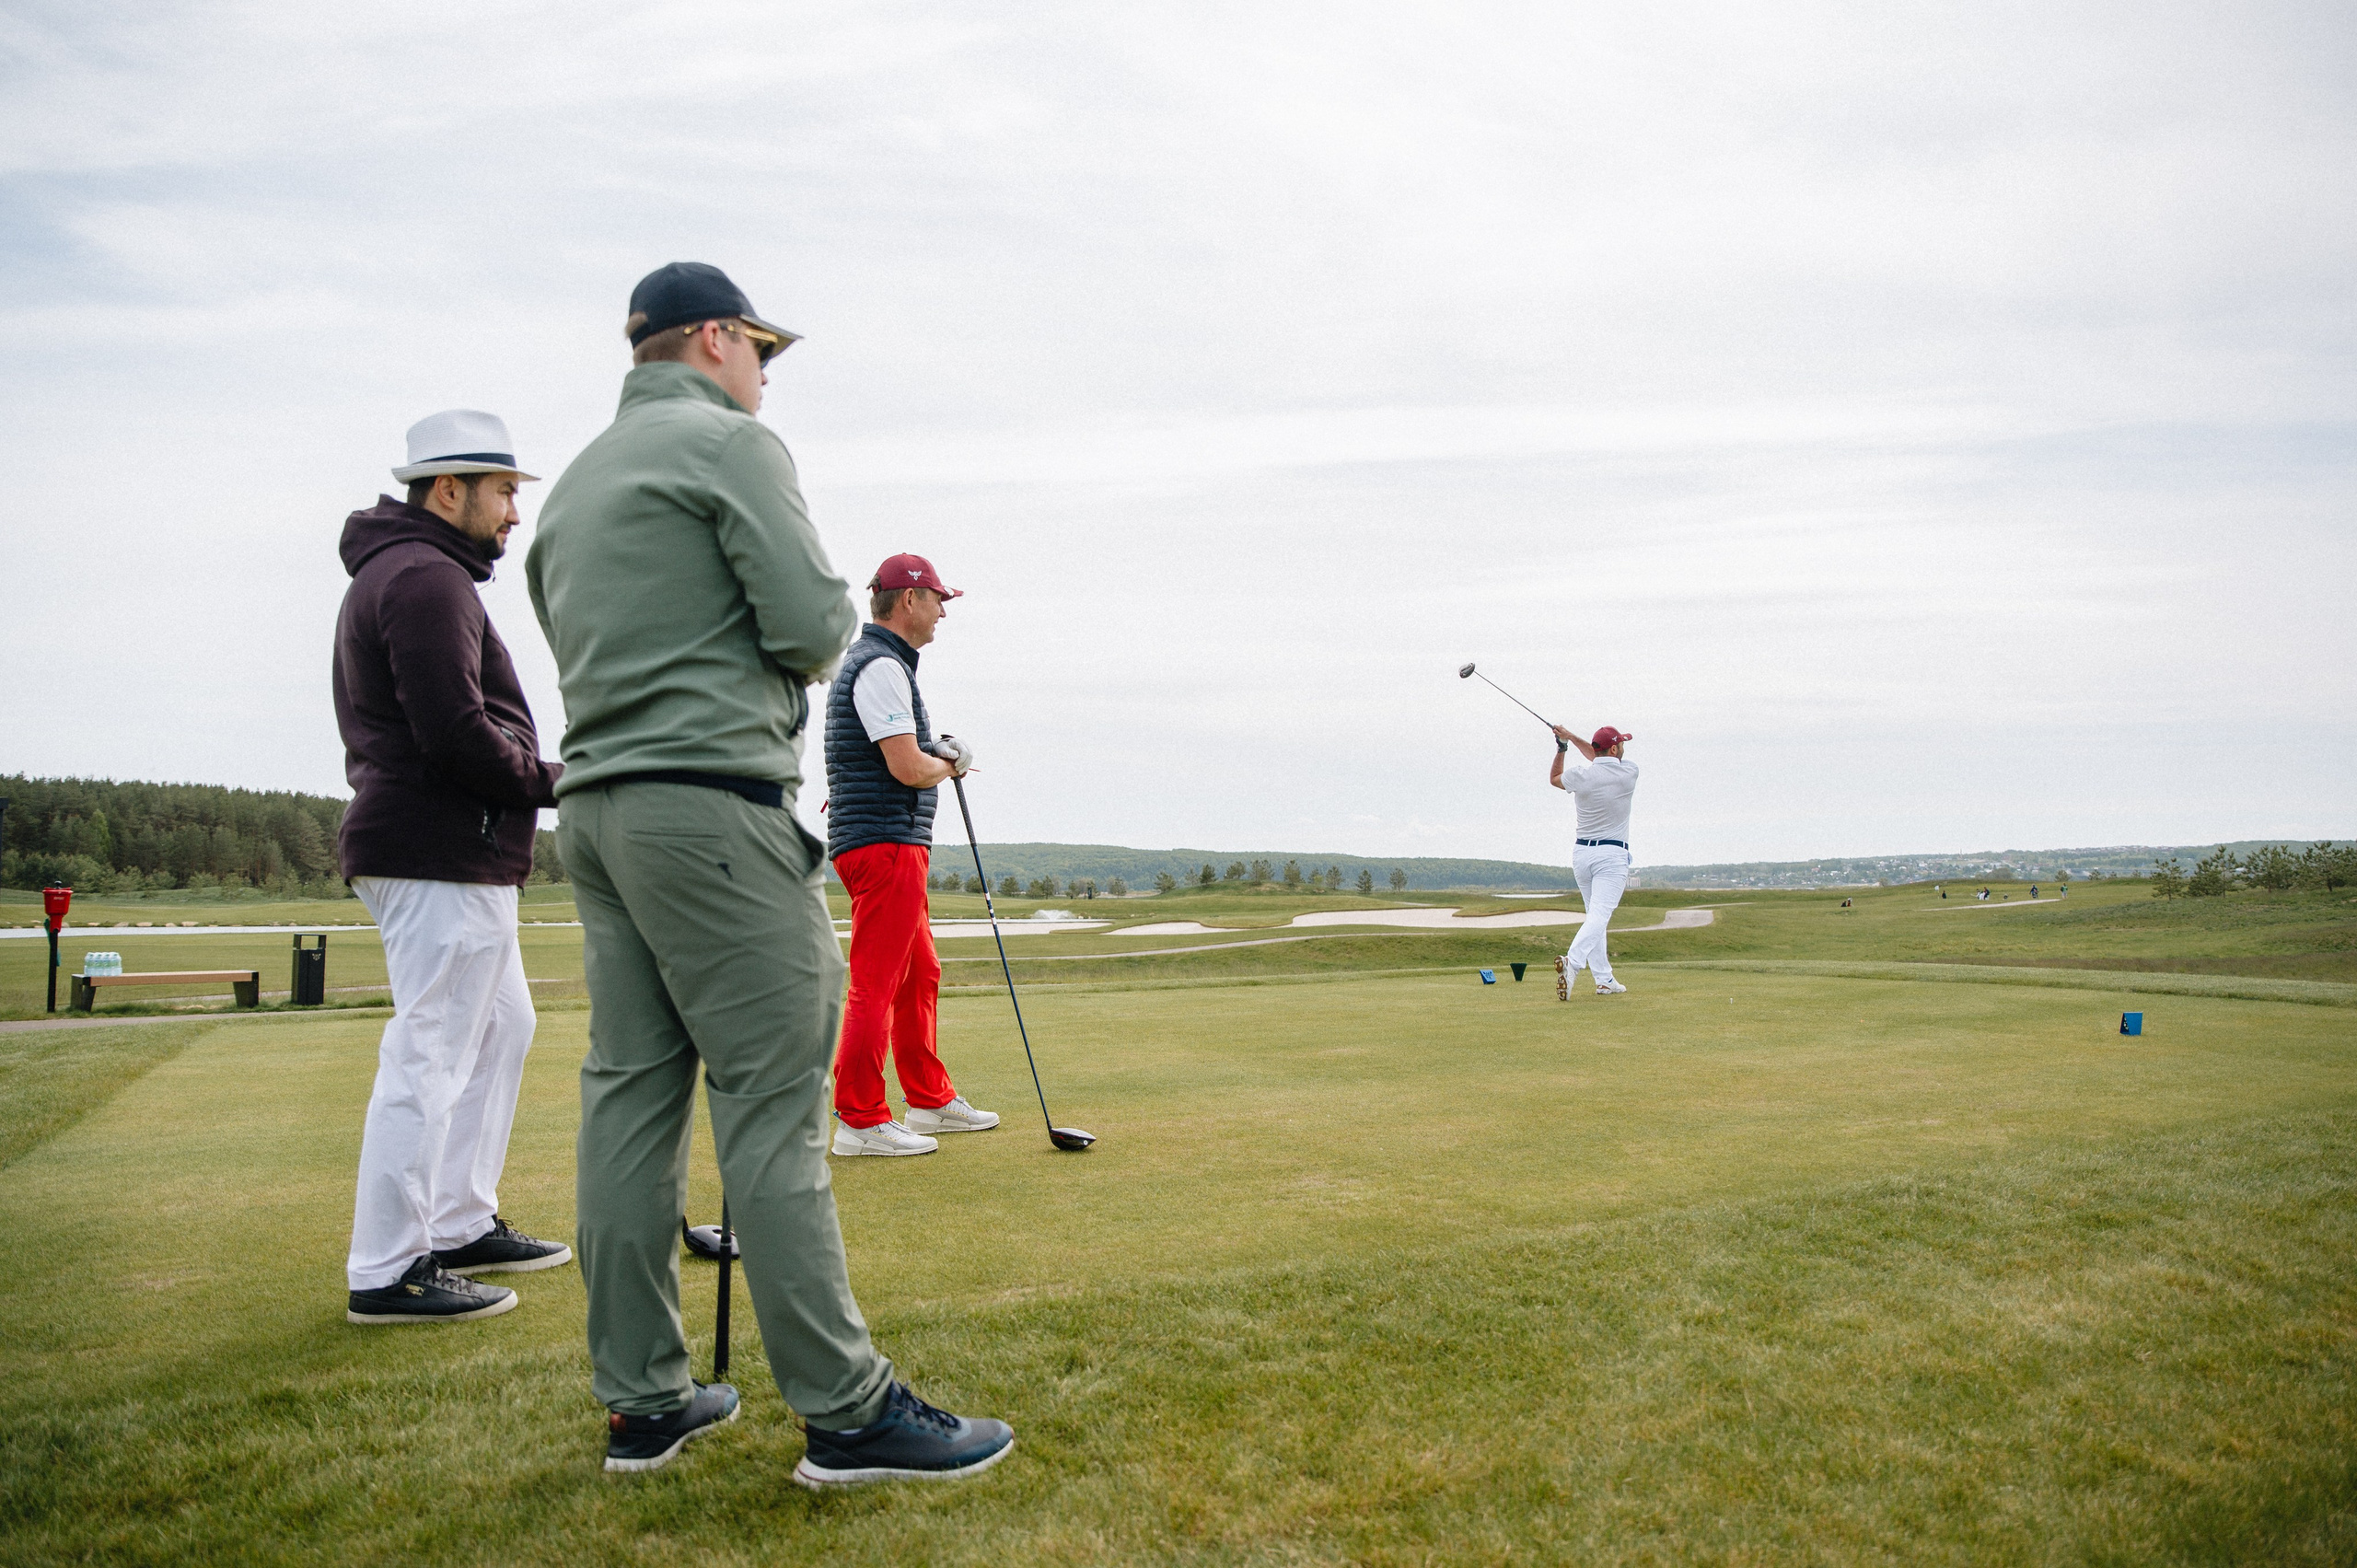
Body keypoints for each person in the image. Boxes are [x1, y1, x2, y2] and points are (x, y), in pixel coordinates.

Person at [526, 261, 1012, 1483]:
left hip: (596, 810)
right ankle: (849, 1411)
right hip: (714, 804)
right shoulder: (735, 445)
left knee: (630, 1095)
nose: (763, 372)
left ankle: (645, 1398)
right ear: (712, 339)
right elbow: (806, 627)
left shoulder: (574, 484)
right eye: (758, 348)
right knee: (771, 1100)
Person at [335, 410, 571, 1327]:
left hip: (448, 845)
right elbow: (455, 732)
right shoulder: (426, 578)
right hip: (439, 847)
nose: (515, 511)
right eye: (504, 490)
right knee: (430, 1050)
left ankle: (459, 1219)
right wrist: (556, 780)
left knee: (503, 1025)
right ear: (448, 490)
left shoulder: (418, 572)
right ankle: (389, 1268)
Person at [824, 553, 999, 1156]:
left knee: (919, 971)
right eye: (937, 600)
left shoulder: (887, 665)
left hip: (889, 839)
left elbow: (899, 755)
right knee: (875, 983)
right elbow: (904, 766)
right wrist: (949, 763)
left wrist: (940, 753)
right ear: (908, 601)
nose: (942, 611)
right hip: (884, 843)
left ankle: (927, 1100)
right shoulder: (880, 667)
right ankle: (861, 1119)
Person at [1547, 725, 1638, 998]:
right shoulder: (1628, 772)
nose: (1623, 747)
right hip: (1611, 856)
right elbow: (1599, 758)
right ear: (1614, 749)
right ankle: (1572, 963)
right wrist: (1572, 738)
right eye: (1620, 744)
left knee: (1594, 918)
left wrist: (1563, 746)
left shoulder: (1581, 775)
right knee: (1599, 916)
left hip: (1582, 855)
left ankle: (1604, 979)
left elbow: (1555, 778)